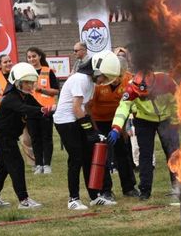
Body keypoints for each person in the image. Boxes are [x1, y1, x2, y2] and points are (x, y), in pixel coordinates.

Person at [54, 51, 121, 210]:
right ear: (97, 71)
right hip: (66, 122)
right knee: (76, 158)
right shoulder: (80, 79)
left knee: (88, 158)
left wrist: (95, 130)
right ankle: (73, 199)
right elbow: (76, 108)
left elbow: (87, 108)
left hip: (76, 119)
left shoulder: (90, 83)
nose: (104, 80)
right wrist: (89, 131)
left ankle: (94, 196)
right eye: (104, 76)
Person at [0, 62, 54, 209]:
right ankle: (24, 201)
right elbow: (26, 109)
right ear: (18, 83)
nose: (31, 86)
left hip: (8, 136)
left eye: (31, 82)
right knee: (16, 164)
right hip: (2, 136)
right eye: (27, 82)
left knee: (4, 167)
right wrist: (43, 110)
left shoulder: (26, 96)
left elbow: (37, 108)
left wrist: (49, 111)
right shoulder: (11, 97)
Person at [108, 69, 180, 201]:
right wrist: (116, 127)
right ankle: (145, 191)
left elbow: (177, 102)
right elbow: (122, 108)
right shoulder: (131, 88)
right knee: (145, 155)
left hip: (166, 118)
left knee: (173, 152)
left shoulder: (167, 82)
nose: (143, 97)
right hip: (143, 120)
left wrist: (174, 123)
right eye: (141, 96)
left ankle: (178, 186)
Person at [88, 56, 139, 199]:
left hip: (118, 120)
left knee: (123, 153)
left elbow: (130, 104)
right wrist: (95, 129)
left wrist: (123, 127)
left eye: (118, 76)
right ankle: (105, 190)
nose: (115, 79)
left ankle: (129, 187)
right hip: (99, 121)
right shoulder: (98, 84)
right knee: (102, 154)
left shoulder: (129, 79)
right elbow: (89, 108)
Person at [26, 47, 59, 175]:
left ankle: (47, 165)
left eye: (34, 56)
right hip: (31, 111)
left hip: (46, 110)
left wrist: (41, 90)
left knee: (46, 138)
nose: (32, 59)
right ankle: (38, 164)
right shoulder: (26, 73)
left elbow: (56, 91)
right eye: (29, 57)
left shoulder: (48, 71)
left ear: (40, 56)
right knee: (35, 138)